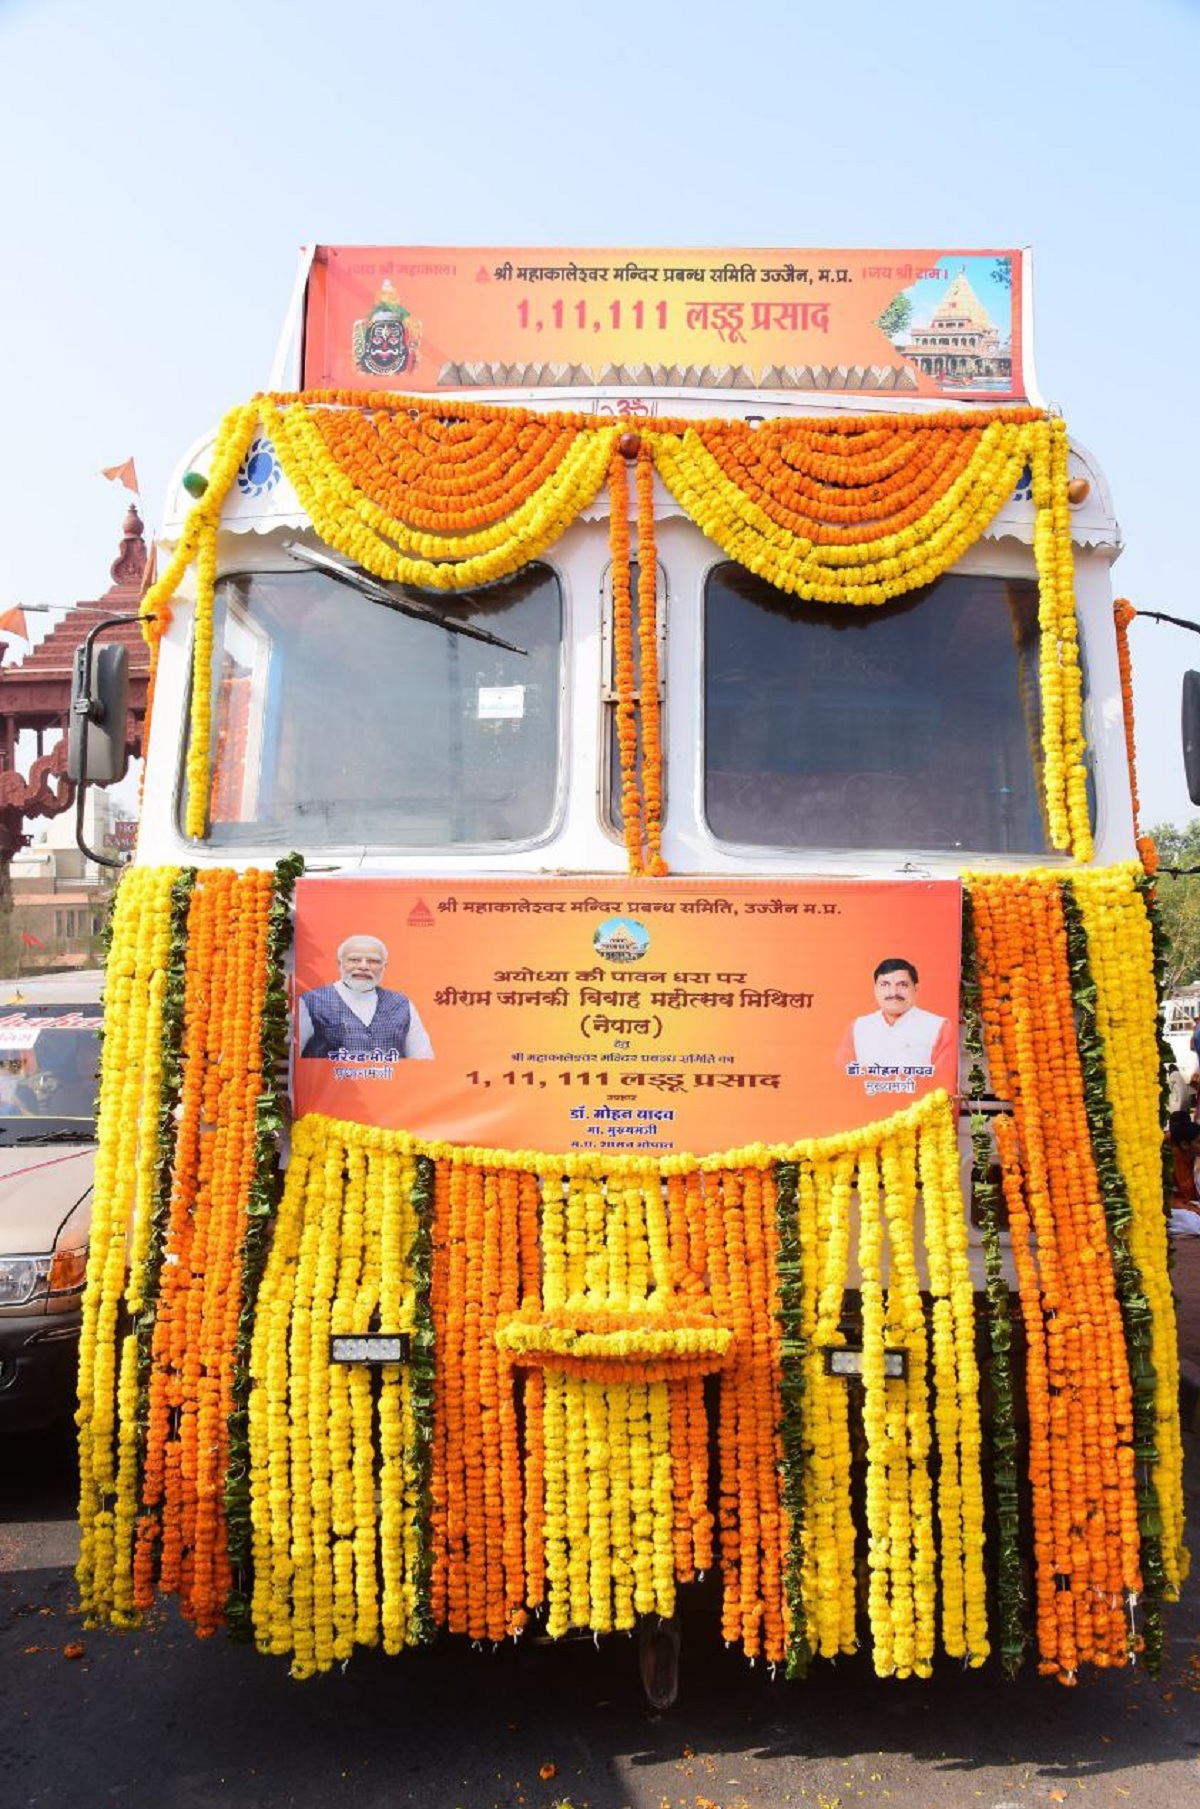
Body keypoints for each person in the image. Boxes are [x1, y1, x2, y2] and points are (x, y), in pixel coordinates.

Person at [298, 933, 433, 1061]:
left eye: (373, 961)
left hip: (391, 1085)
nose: (363, 966)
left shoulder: (401, 1004)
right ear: (339, 964)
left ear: (383, 967)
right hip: (332, 1085)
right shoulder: (311, 1002)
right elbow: (294, 1056)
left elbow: (422, 1059)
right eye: (354, 959)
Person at [837, 956, 953, 1073]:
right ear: (875, 989)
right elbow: (842, 1076)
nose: (893, 992)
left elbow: (944, 1079)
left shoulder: (938, 1026)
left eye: (902, 984)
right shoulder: (858, 1027)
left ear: (916, 988)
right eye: (885, 984)